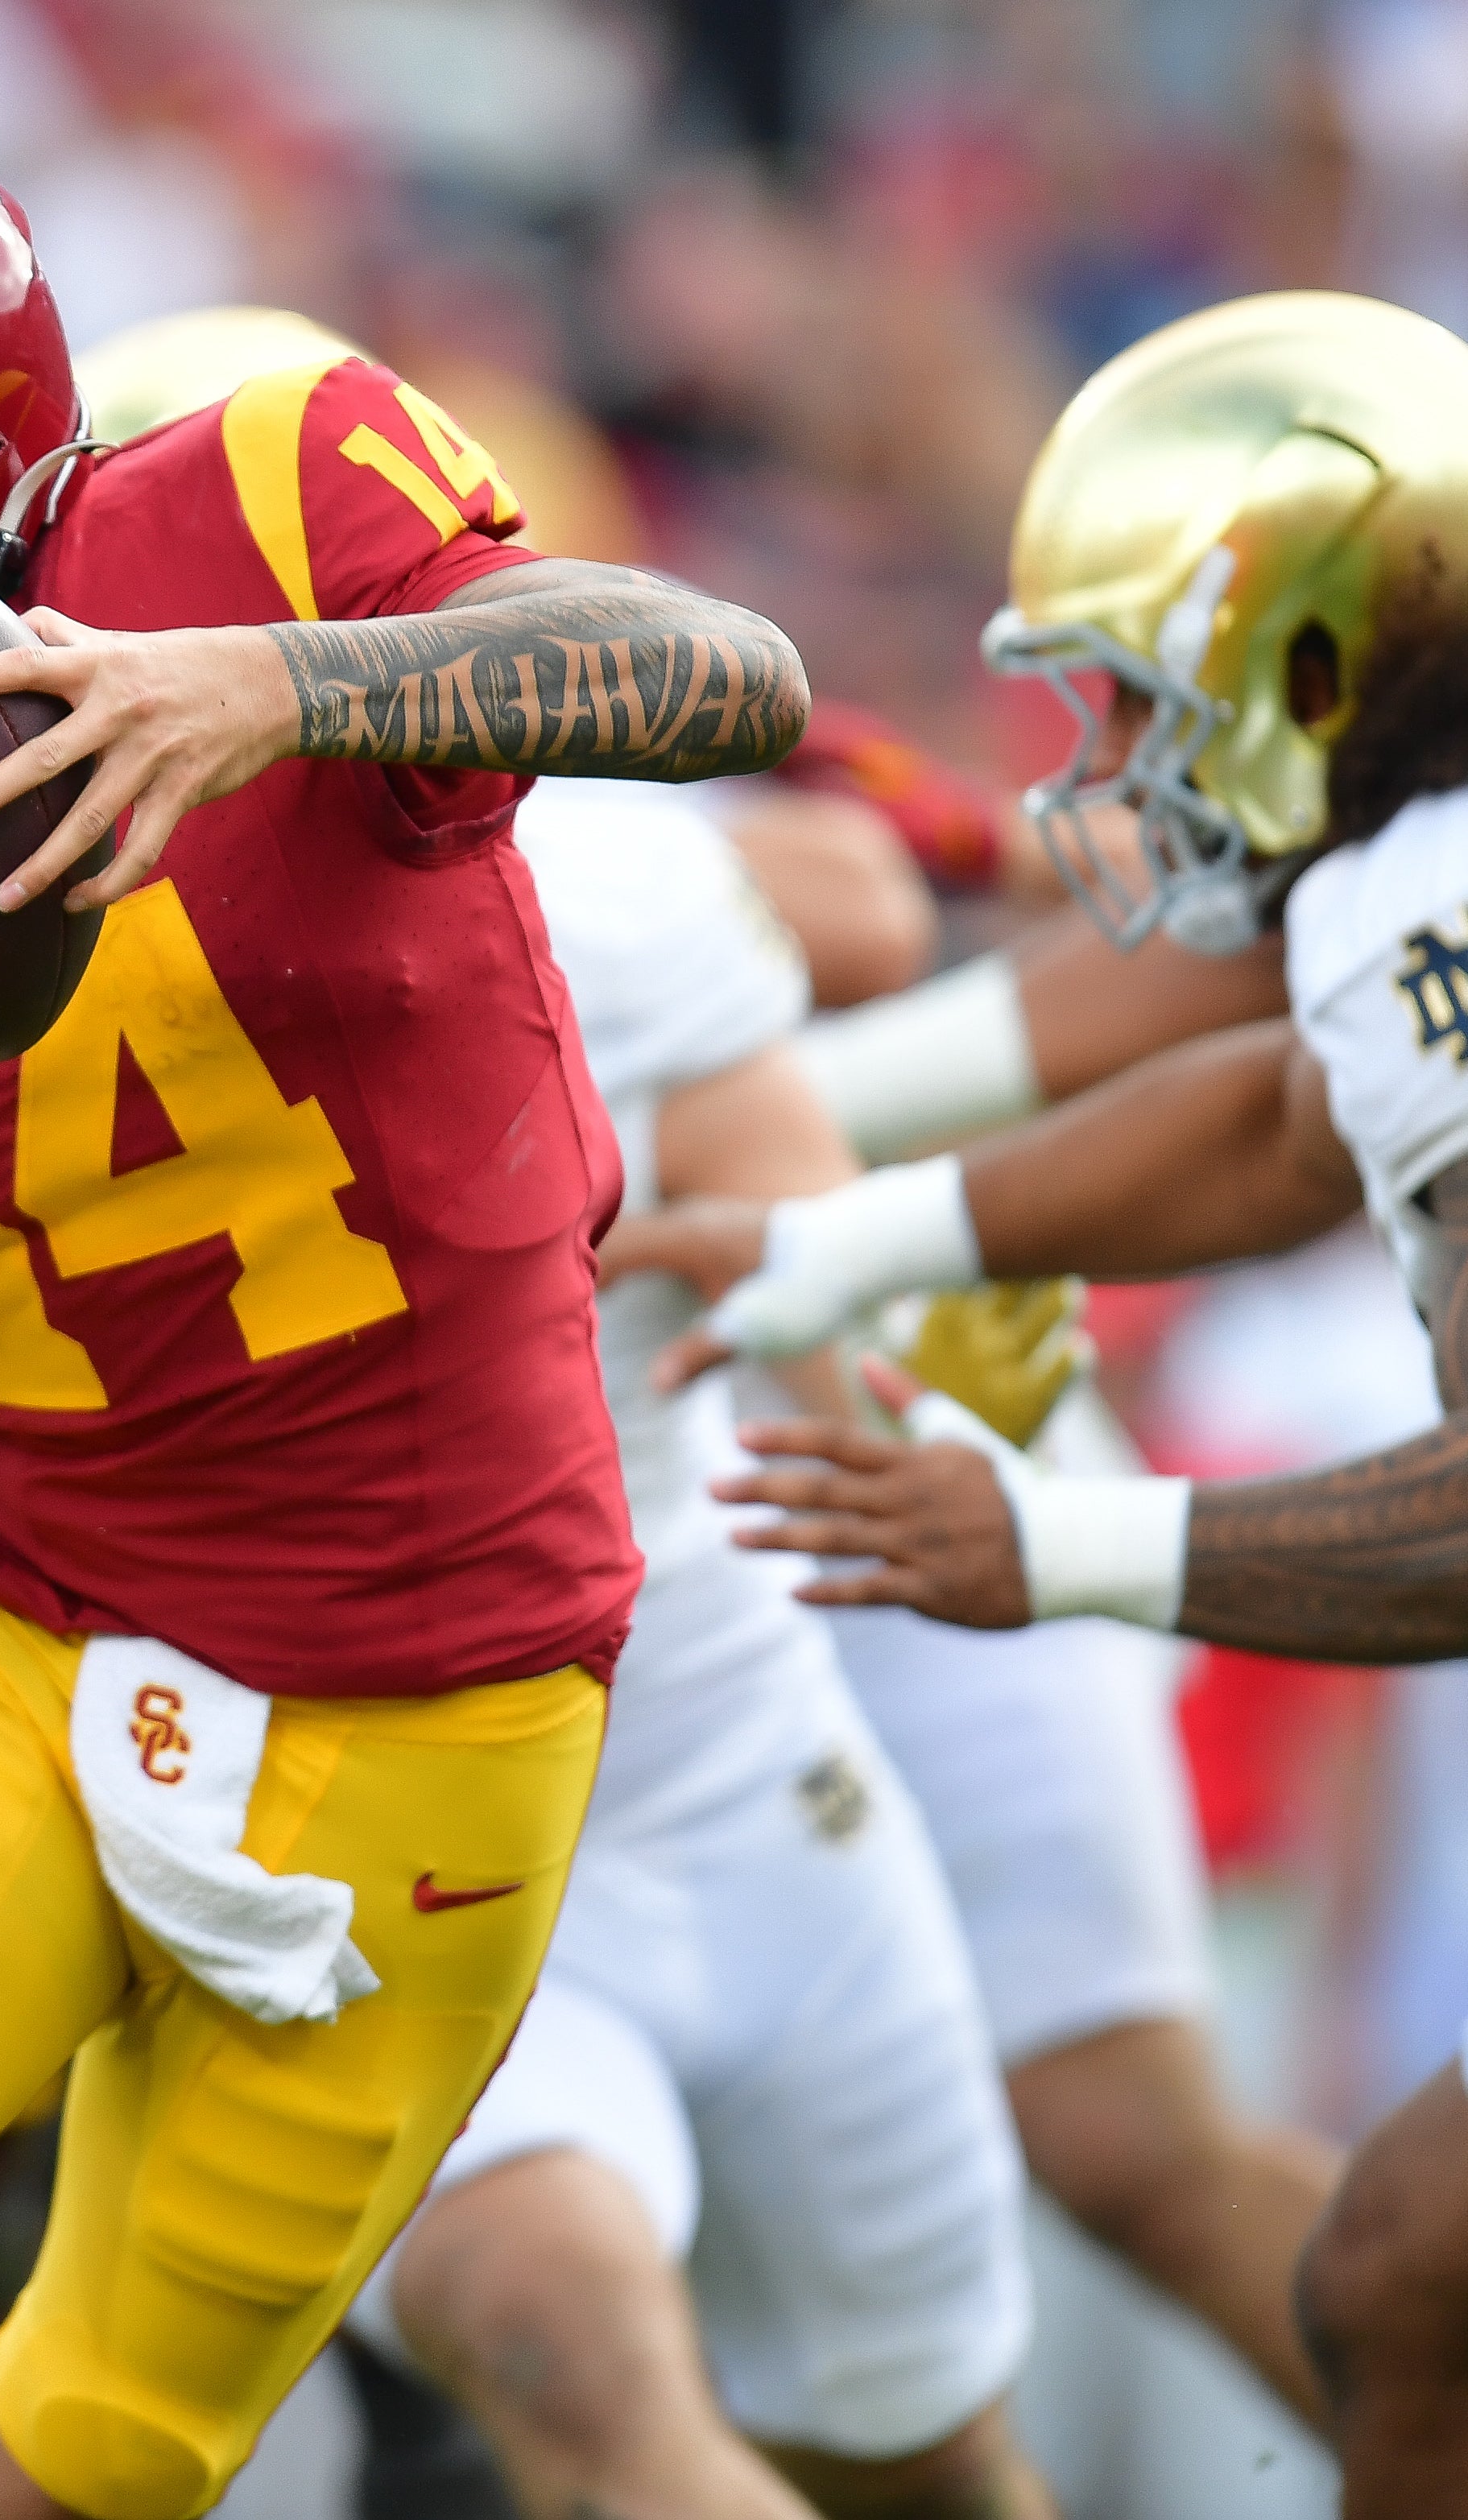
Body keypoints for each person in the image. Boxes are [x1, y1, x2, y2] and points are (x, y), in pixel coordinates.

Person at [0, 119, 808, 2518]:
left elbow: (739, 677)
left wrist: (287, 689)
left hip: (431, 1674)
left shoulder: (268, 504)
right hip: (4, 1597)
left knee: (80, 2467)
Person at [60, 304, 1046, 2520]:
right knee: (575, 2353)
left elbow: (801, 1267)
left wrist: (888, 1338)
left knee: (935, 2462)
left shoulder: (611, 876)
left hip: (706, 1741)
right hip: (359, 1813)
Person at [604, 288, 1468, 2516]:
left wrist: (1061, 1551)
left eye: (1164, 704)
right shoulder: (1404, 896)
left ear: (1316, 667)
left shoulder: (1428, 912)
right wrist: (847, 1234)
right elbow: (1279, 1114)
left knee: (1404, 2269)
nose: (1115, 770)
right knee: (1416, 2274)